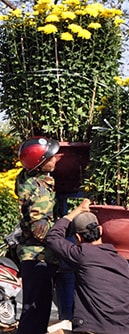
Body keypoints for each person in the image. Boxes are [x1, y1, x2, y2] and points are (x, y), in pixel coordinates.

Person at [45, 198, 129, 334]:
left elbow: (52, 237)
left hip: (95, 330)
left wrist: (76, 211)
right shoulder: (122, 262)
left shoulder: (83, 255)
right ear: (100, 230)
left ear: (77, 238)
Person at [15, 136, 60, 334]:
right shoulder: (40, 192)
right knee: (36, 313)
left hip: (31, 256)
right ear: (41, 164)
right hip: (38, 257)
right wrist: (63, 238)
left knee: (34, 311)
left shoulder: (27, 177)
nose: (56, 159)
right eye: (51, 157)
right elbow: (40, 230)